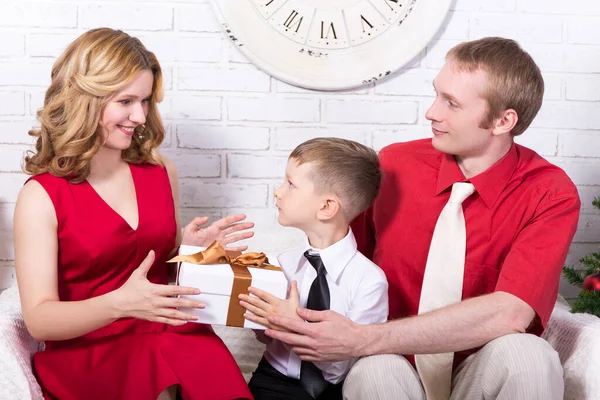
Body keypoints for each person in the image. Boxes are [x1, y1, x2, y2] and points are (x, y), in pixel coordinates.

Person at [261, 37, 581, 400]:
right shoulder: (393, 166)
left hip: (477, 369)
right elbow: (338, 262)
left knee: (530, 356)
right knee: (375, 370)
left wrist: (364, 338)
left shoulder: (550, 193)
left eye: (452, 103)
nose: (432, 112)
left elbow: (511, 313)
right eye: (437, 95)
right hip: (392, 364)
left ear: (502, 121)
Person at [13, 28, 254, 400]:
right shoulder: (42, 195)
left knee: (194, 351)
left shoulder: (161, 172)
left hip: (168, 336)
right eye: (126, 101)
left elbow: (159, 278)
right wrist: (119, 304)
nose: (140, 116)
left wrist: (192, 253)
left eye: (144, 101)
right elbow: (40, 321)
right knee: (167, 354)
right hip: (91, 353)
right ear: (85, 99)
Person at [237, 138, 389, 400]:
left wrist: (292, 326)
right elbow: (266, 338)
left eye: (291, 184)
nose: (278, 191)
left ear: (326, 207)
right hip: (271, 381)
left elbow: (343, 366)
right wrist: (257, 315)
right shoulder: (283, 263)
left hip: (334, 391)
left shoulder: (369, 281)